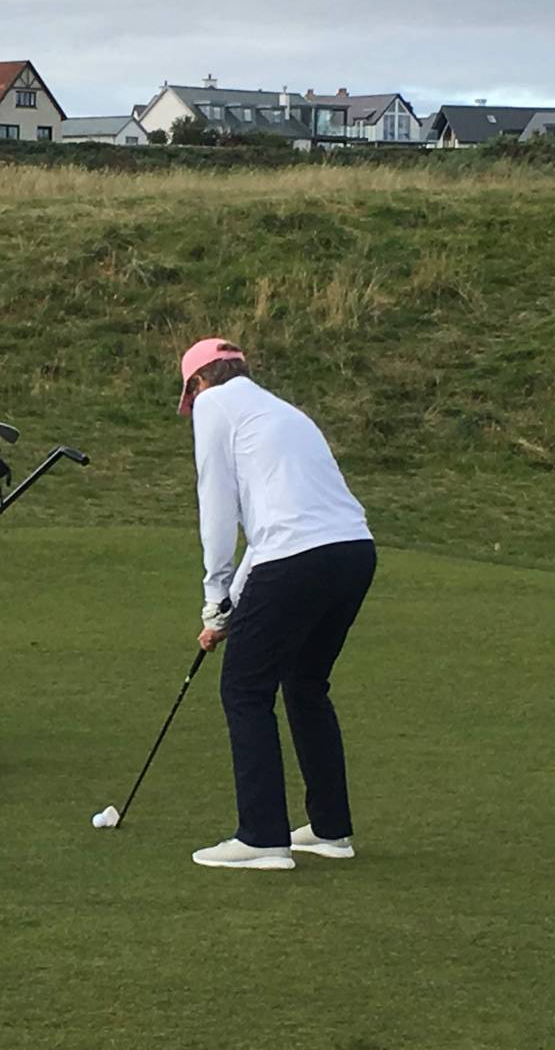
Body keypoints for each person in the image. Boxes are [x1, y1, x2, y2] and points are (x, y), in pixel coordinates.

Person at [178, 338, 376, 872]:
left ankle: (262, 837)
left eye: (191, 395)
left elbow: (218, 506)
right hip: (353, 553)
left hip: (298, 557)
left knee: (244, 689)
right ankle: (330, 830)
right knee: (306, 684)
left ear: (199, 382)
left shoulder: (215, 405)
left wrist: (214, 595)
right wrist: (229, 609)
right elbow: (269, 532)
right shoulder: (284, 413)